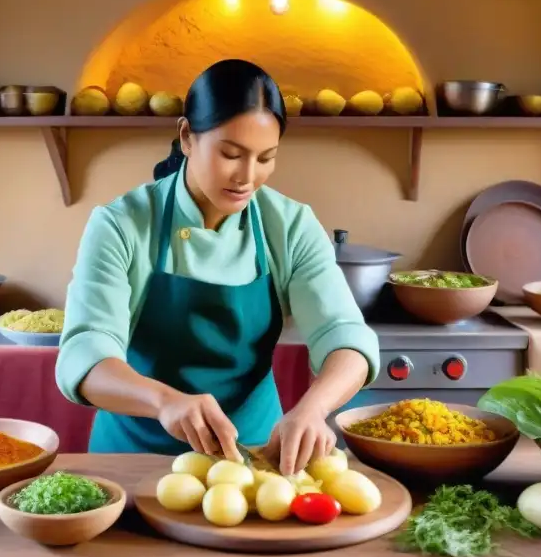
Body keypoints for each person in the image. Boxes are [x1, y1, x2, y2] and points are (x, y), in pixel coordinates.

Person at [55, 59, 379, 475]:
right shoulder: (122, 223)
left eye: (266, 158)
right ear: (187, 136)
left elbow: (344, 335)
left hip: (256, 457)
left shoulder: (291, 225)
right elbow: (84, 353)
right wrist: (165, 401)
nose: (247, 177)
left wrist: (314, 409)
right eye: (231, 154)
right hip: (133, 461)